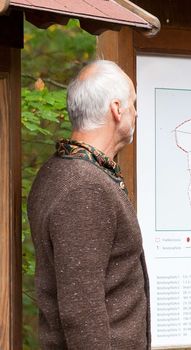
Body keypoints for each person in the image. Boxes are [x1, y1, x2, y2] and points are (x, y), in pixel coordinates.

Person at [27, 60, 149, 349]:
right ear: (117, 110)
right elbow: (81, 312)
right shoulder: (85, 187)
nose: (136, 112)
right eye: (133, 104)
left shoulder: (61, 170)